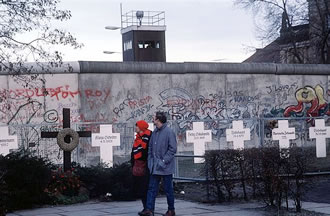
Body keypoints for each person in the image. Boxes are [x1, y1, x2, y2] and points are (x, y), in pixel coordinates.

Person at [140, 112, 177, 216]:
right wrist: (150, 161)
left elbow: (172, 149)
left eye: (154, 117)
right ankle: (149, 209)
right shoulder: (155, 132)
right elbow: (150, 148)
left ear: (158, 120)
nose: (152, 119)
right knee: (151, 188)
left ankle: (171, 210)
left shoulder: (169, 132)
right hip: (154, 166)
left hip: (166, 167)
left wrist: (164, 161)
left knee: (168, 190)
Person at [131, 120, 152, 215]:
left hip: (145, 166)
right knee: (141, 189)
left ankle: (148, 208)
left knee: (145, 188)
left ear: (141, 127)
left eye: (137, 126)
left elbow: (145, 152)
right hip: (138, 166)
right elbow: (134, 151)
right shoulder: (138, 138)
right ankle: (145, 208)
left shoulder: (147, 137)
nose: (135, 128)